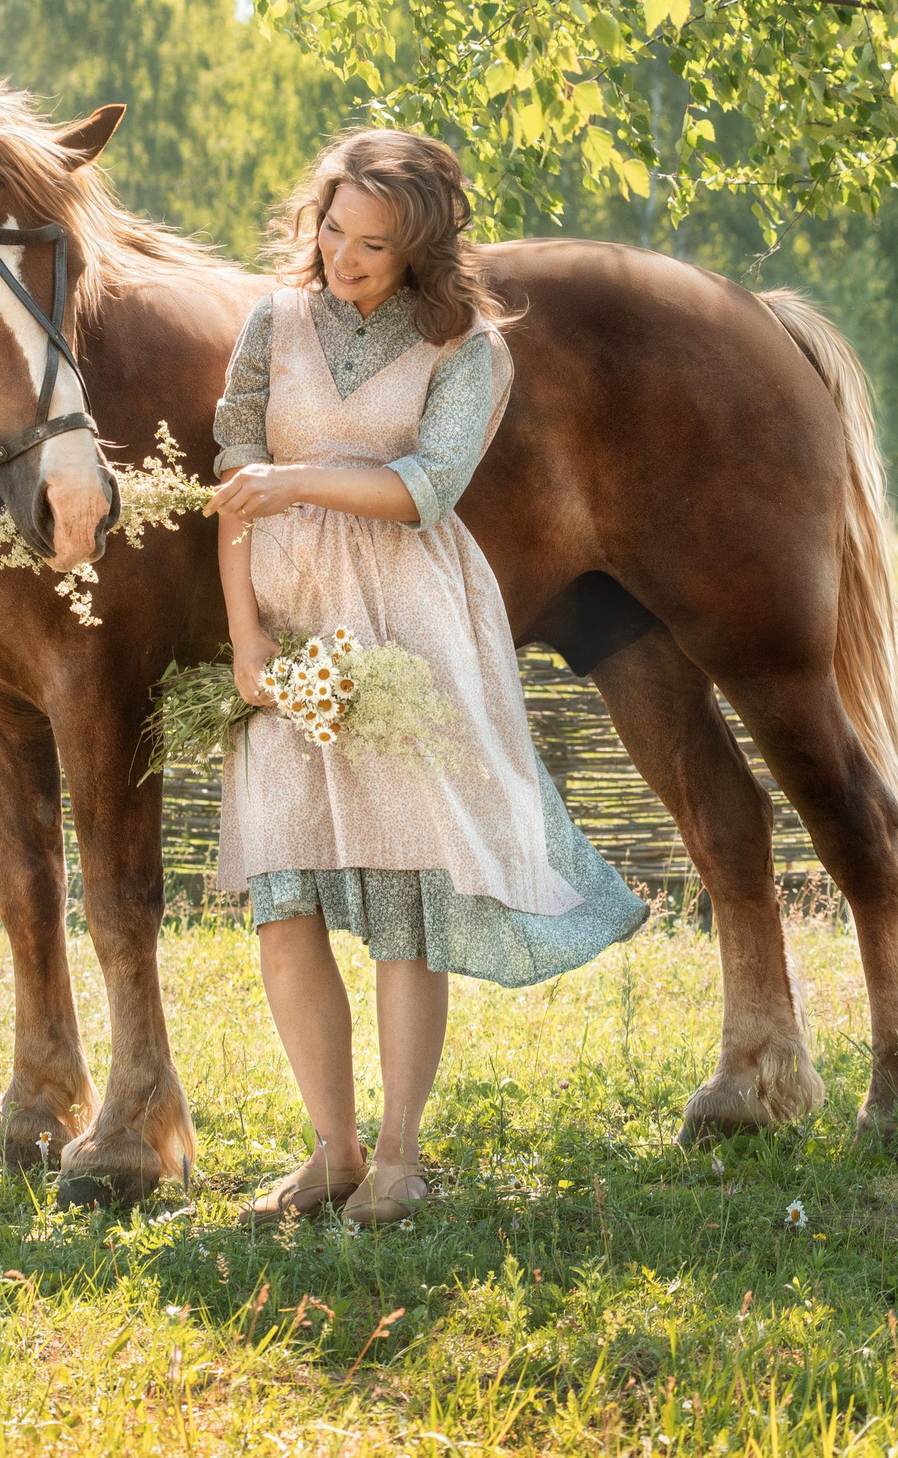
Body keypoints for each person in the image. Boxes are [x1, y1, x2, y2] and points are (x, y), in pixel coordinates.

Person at [205, 128, 648, 1227]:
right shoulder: (270, 322)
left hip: (408, 632)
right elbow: (229, 480)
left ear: (421, 251)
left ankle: (400, 1154)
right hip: (288, 619)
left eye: (372, 246)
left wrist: (296, 476)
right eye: (332, 229)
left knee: (405, 900)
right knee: (282, 894)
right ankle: (332, 1150)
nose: (342, 257)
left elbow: (427, 488)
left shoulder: (470, 350)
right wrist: (245, 641)